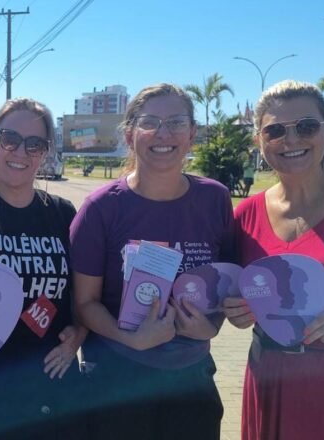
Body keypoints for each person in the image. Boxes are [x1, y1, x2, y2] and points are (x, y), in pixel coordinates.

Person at [70, 83, 234, 440]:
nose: (163, 134)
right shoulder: (101, 209)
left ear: (192, 134)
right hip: (117, 378)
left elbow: (226, 283)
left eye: (176, 122)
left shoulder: (215, 200)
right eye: (150, 122)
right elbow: (84, 304)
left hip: (190, 380)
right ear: (130, 135)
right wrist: (131, 339)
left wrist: (212, 327)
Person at [223, 80, 324, 440]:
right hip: (271, 384)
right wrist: (237, 311)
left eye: (307, 126)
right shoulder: (245, 216)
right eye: (275, 130)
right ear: (259, 141)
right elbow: (240, 298)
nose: (291, 140)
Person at [0, 98, 87, 439]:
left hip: (53, 388)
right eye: (9, 138)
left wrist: (78, 334)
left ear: (45, 152)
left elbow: (84, 294)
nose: (20, 152)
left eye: (34, 144)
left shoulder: (63, 214)